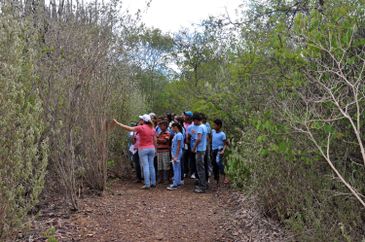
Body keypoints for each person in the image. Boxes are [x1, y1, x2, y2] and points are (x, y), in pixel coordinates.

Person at [113, 114, 157, 189]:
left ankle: (147, 184)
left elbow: (129, 128)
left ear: (143, 120)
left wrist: (118, 123)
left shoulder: (141, 128)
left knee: (145, 166)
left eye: (141, 119)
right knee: (151, 166)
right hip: (152, 148)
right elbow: (155, 140)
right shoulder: (152, 128)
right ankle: (153, 182)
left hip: (143, 148)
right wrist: (155, 148)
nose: (140, 120)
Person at [189, 113, 208, 193]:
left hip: (199, 150)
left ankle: (202, 187)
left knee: (200, 168)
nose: (194, 122)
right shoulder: (204, 126)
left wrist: (194, 147)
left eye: (194, 121)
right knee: (201, 167)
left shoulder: (200, 127)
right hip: (203, 149)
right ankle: (203, 184)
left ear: (197, 120)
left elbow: (199, 139)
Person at [211, 119, 229, 184]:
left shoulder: (222, 134)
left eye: (215, 125)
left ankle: (225, 176)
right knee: (214, 164)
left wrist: (223, 150)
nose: (214, 126)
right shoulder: (213, 131)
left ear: (219, 126)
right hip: (213, 150)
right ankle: (216, 178)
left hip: (219, 150)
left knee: (219, 163)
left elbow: (225, 144)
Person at [167, 122, 184, 190]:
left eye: (172, 127)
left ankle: (175, 184)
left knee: (176, 168)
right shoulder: (176, 134)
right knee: (177, 167)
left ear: (176, 127)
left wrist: (176, 156)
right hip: (175, 153)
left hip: (177, 153)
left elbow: (179, 146)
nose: (171, 129)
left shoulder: (179, 135)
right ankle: (178, 182)